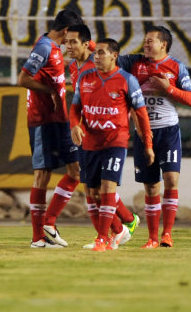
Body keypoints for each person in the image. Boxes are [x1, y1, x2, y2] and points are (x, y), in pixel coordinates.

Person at [70, 38, 154, 252]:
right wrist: (74, 126)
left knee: (108, 187)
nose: (96, 57)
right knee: (94, 193)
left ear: (114, 56)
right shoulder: (85, 78)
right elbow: (75, 108)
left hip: (115, 142)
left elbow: (142, 115)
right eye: (95, 53)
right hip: (90, 142)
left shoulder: (127, 80)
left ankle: (102, 239)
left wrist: (148, 143)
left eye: (100, 53)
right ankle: (119, 230)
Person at [117, 25, 191, 249]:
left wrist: (168, 88)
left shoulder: (176, 67)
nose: (145, 44)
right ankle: (152, 238)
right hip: (143, 132)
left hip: (168, 130)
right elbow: (107, 57)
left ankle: (167, 235)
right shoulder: (134, 64)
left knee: (171, 180)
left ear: (164, 44)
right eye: (145, 40)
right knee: (151, 187)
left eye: (150, 40)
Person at [17, 9, 83, 249]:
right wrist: (53, 92)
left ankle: (49, 223)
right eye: (72, 35)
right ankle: (37, 238)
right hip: (42, 120)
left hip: (59, 120)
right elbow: (23, 79)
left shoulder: (54, 49)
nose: (72, 41)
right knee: (42, 175)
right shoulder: (44, 47)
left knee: (76, 171)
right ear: (66, 31)